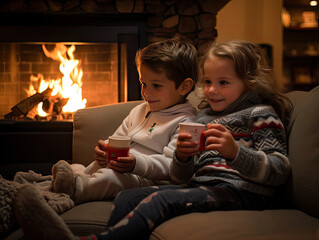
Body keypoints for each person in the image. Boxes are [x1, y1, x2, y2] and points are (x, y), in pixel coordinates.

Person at [13, 40, 292, 240]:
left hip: (243, 194)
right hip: (203, 187)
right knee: (127, 196)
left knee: (160, 200)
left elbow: (279, 171)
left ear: (250, 82)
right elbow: (182, 177)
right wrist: (183, 156)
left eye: (223, 82)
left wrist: (235, 153)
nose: (211, 91)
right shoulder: (204, 119)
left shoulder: (260, 115)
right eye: (207, 82)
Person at [50, 37, 198, 204]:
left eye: (156, 85)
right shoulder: (140, 110)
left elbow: (172, 165)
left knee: (111, 178)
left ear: (184, 87)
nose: (146, 92)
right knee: (93, 168)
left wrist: (137, 164)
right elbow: (117, 138)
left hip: (148, 180)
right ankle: (73, 178)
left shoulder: (186, 124)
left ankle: (76, 189)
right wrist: (105, 150)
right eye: (143, 83)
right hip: (122, 168)